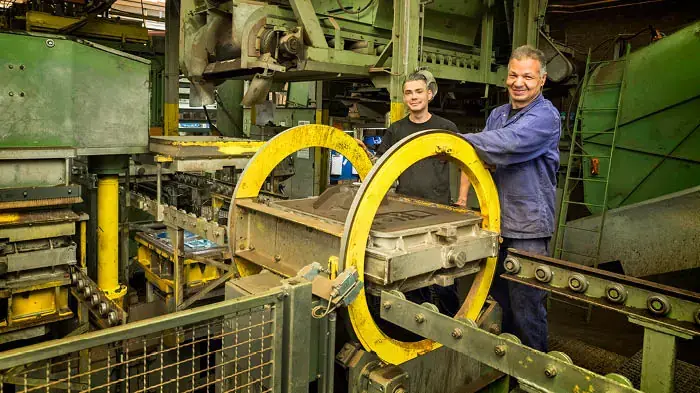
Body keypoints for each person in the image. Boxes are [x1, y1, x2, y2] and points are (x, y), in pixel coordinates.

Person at [459, 45, 561, 352]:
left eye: (528, 77)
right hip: (495, 224)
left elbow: (506, 145)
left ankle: (533, 375)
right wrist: (487, 152)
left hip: (528, 228)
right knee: (496, 303)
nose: (519, 82)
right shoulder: (498, 114)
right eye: (514, 75)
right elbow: (486, 157)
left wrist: (456, 142)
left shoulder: (545, 116)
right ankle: (501, 367)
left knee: (527, 309)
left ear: (542, 80)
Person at [359, 72, 462, 316]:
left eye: (418, 92)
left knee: (444, 275)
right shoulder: (397, 130)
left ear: (429, 94)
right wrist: (363, 153)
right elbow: (381, 164)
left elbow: (465, 163)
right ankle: (417, 327)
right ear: (404, 98)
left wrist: (461, 200)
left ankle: (451, 324)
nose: (413, 97)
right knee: (413, 277)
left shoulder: (445, 128)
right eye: (408, 93)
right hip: (406, 211)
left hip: (439, 211)